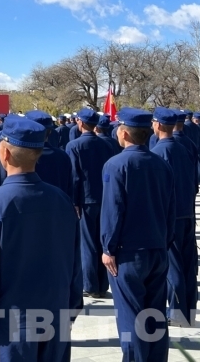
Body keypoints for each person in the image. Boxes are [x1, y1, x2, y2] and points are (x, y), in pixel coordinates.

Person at [0, 116, 82, 362]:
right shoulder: (61, 200)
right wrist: (72, 307)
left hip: (13, 321)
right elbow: (75, 260)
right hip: (56, 313)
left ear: (5, 153)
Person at [101, 108, 175, 362]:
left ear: (123, 133)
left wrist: (108, 248)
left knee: (131, 317)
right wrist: (165, 241)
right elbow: (170, 208)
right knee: (155, 315)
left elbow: (113, 211)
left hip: (128, 253)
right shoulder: (161, 163)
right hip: (157, 247)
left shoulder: (116, 165)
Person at [150, 107, 197, 327]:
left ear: (158, 125)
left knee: (174, 266)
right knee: (188, 264)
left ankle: (177, 312)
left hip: (171, 215)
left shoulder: (158, 152)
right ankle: (189, 311)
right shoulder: (184, 147)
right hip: (187, 211)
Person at [66, 107, 113, 299]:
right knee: (103, 241)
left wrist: (74, 201)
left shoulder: (74, 146)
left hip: (85, 199)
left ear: (81, 123)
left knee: (87, 243)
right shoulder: (107, 145)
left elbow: (75, 177)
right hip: (104, 197)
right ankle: (102, 283)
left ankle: (90, 284)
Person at [24, 110, 73, 199]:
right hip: (58, 204)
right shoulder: (63, 156)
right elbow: (69, 188)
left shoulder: (23, 156)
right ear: (50, 132)